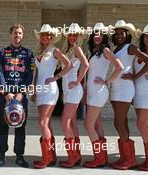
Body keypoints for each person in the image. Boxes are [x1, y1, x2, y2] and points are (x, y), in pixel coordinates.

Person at [0, 24, 34, 168]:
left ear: (23, 35)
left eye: (20, 33)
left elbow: (30, 75)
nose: (17, 35)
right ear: (11, 34)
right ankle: (1, 156)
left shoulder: (28, 54)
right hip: (6, 96)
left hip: (21, 97)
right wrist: (5, 92)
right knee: (3, 127)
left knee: (20, 127)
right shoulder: (2, 52)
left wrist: (22, 93)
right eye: (15, 33)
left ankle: (20, 156)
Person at [83, 23, 123, 168]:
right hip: (93, 91)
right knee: (96, 124)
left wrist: (107, 81)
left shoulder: (106, 50)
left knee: (88, 125)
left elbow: (119, 67)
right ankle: (102, 157)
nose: (97, 36)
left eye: (100, 34)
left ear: (104, 36)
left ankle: (99, 158)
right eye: (95, 34)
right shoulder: (95, 51)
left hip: (99, 92)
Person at [109, 20, 148, 170]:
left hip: (125, 87)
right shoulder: (118, 48)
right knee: (121, 122)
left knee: (119, 123)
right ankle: (125, 157)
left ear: (127, 35)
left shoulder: (129, 47)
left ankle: (129, 159)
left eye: (122, 33)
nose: (119, 36)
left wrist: (135, 76)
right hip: (119, 87)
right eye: (117, 33)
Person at [32, 24, 71, 169]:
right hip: (40, 89)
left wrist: (56, 78)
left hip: (50, 89)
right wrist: (34, 89)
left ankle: (47, 158)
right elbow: (37, 73)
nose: (45, 37)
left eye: (48, 35)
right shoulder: (39, 52)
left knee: (42, 122)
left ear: (52, 37)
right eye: (43, 35)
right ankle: (51, 156)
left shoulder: (55, 50)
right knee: (45, 123)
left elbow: (68, 65)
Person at [59, 23, 89, 168]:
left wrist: (77, 81)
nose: (72, 37)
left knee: (65, 122)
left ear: (79, 37)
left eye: (75, 34)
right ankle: (76, 156)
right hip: (68, 91)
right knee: (72, 124)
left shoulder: (77, 49)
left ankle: (73, 157)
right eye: (70, 34)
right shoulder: (68, 49)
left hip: (74, 90)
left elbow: (86, 65)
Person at [131, 24, 148, 171]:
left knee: (141, 125)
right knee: (144, 126)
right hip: (138, 93)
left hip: (147, 94)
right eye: (146, 36)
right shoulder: (139, 52)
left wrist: (136, 76)